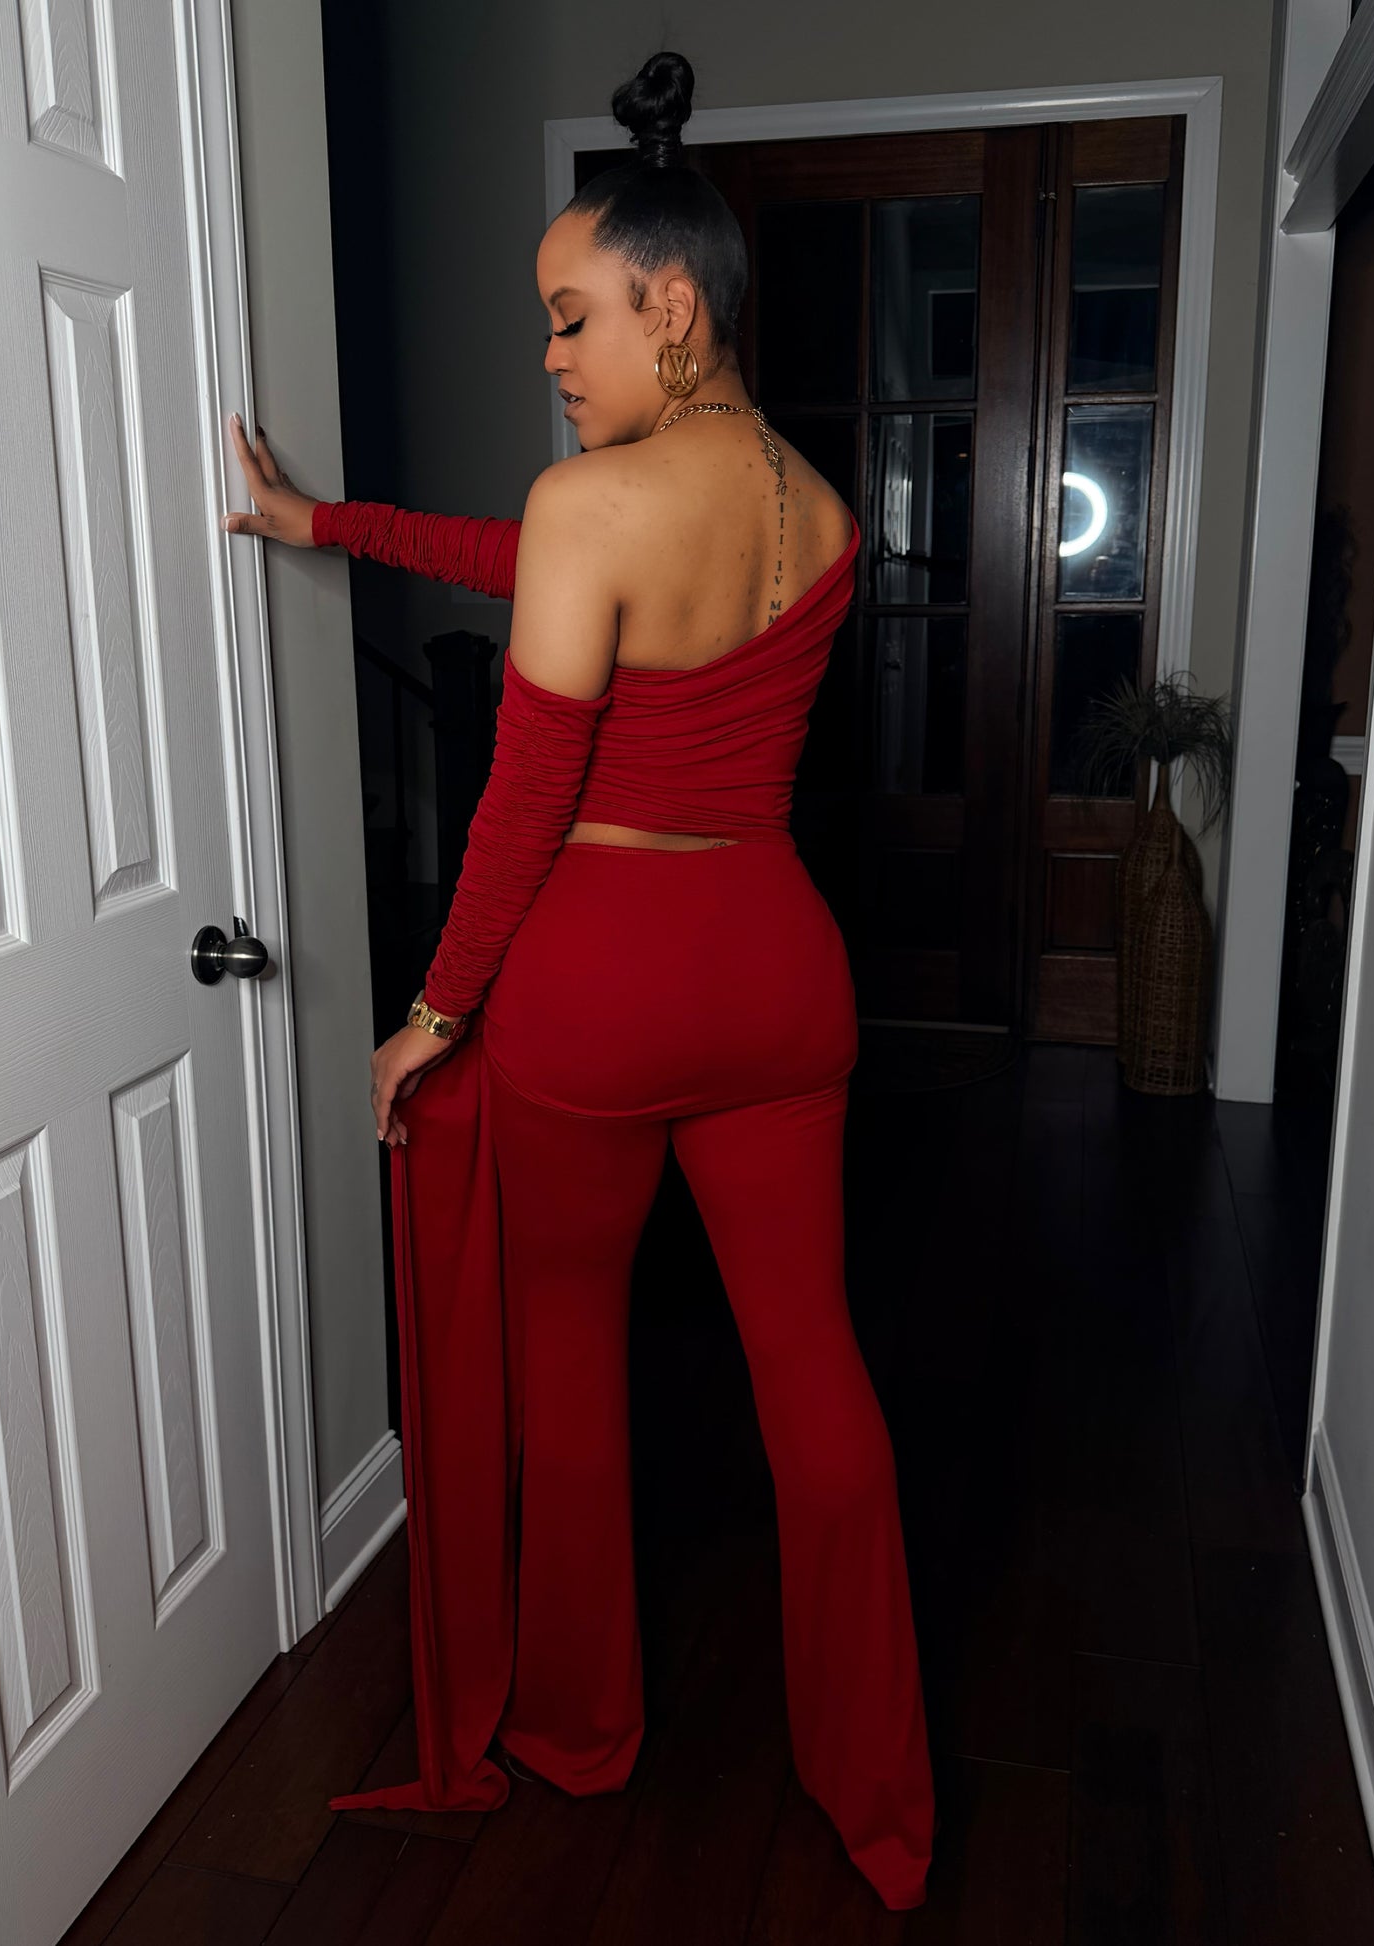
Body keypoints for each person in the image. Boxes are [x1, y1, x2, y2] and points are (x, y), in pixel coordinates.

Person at [221, 50, 935, 1913]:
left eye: (568, 316)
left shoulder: (591, 507)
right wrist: (334, 523)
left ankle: (581, 1726)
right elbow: (525, 556)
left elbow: (527, 791)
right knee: (814, 1369)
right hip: (781, 975)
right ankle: (877, 1791)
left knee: (569, 1353)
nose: (549, 354)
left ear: (669, 305)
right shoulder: (822, 506)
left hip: (602, 990)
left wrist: (432, 1012)